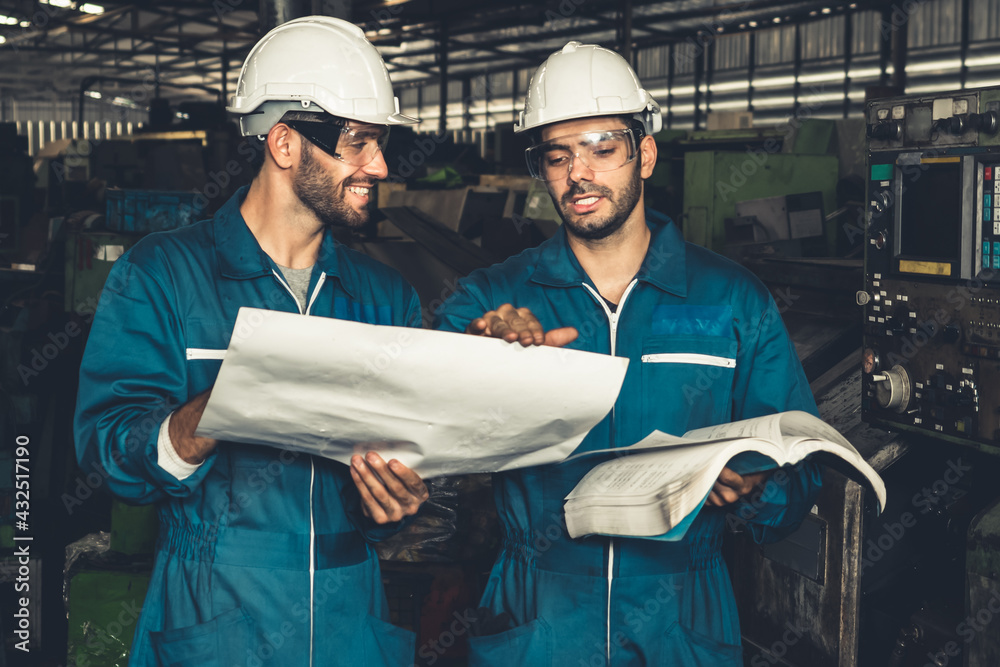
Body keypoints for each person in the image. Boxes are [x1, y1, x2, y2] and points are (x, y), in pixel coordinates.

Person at [434, 41, 823, 666]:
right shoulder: (491, 300)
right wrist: (478, 361)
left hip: (682, 613)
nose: (577, 175)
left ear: (645, 153)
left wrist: (755, 489)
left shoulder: (731, 300)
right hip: (538, 615)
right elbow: (426, 447)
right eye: (557, 156)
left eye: (601, 150)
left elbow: (801, 476)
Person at [75, 16, 429, 667]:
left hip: (351, 619)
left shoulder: (387, 297)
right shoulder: (163, 274)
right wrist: (210, 413)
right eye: (356, 142)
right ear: (286, 143)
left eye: (379, 143)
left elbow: (404, 470)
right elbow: (107, 453)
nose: (377, 165)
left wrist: (396, 501)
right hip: (215, 611)